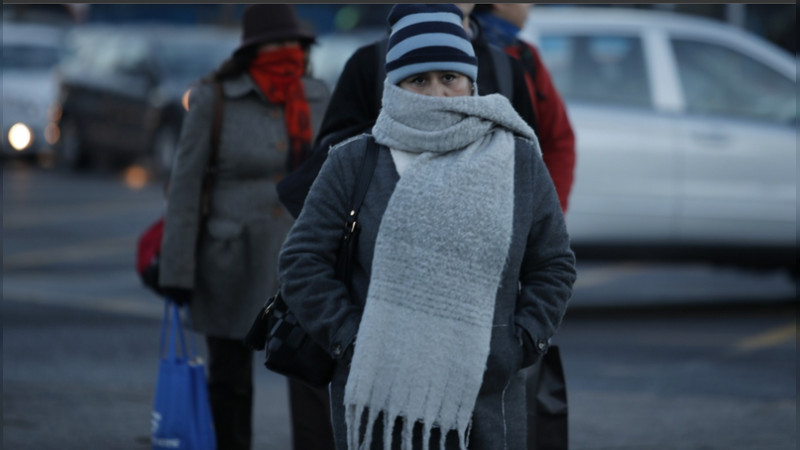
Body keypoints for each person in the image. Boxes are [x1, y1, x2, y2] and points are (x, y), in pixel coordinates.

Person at [278, 4, 576, 449]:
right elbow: (301, 263)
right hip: (382, 400)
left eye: (449, 77)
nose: (437, 94)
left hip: (487, 399)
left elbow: (553, 264)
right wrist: (355, 343)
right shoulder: (354, 161)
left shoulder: (516, 160)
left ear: (470, 81)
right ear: (395, 86)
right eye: (418, 79)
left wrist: (518, 346)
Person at [157, 5, 329, 449]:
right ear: (254, 50)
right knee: (230, 381)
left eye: (294, 44)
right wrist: (176, 272)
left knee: (311, 378)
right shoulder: (214, 99)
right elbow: (185, 189)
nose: (286, 52)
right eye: (277, 44)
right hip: (229, 260)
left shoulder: (317, 96)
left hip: (299, 262)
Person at [472, 3, 575, 212]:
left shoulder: (525, 55)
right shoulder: (452, 54)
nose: (530, 4)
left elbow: (558, 140)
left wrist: (548, 214)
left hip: (518, 210)